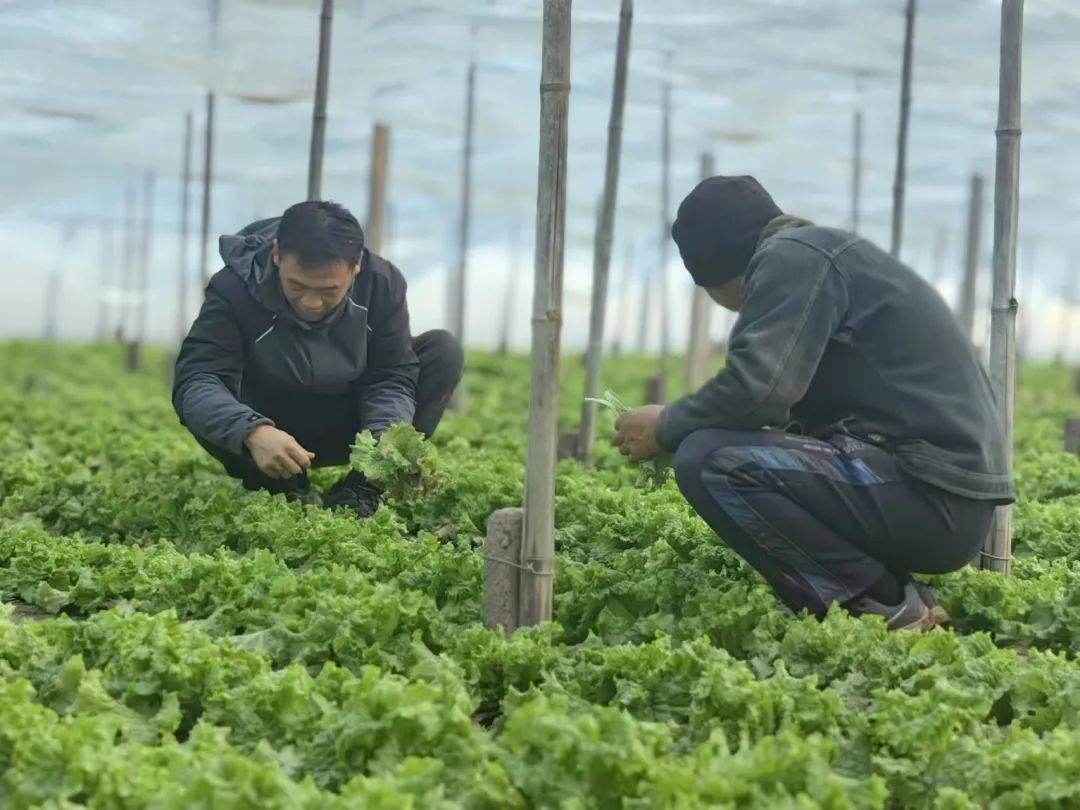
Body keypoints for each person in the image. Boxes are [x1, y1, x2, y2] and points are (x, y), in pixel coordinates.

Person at [612, 176, 1014, 631]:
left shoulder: (791, 258)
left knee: (710, 459)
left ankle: (881, 606)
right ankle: (889, 590)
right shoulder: (819, 256)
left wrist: (666, 425)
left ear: (714, 273)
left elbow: (755, 393)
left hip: (933, 499)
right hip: (944, 501)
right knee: (732, 448)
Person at [173, 200, 463, 517]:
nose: (311, 302)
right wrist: (252, 432)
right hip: (269, 428)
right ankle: (281, 486)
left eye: (328, 290)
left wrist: (382, 445)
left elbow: (390, 377)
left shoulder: (382, 284)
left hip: (348, 420)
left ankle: (363, 489)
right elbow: (198, 378)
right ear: (277, 254)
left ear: (356, 268)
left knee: (442, 351)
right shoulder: (234, 287)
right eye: (296, 285)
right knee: (204, 397)